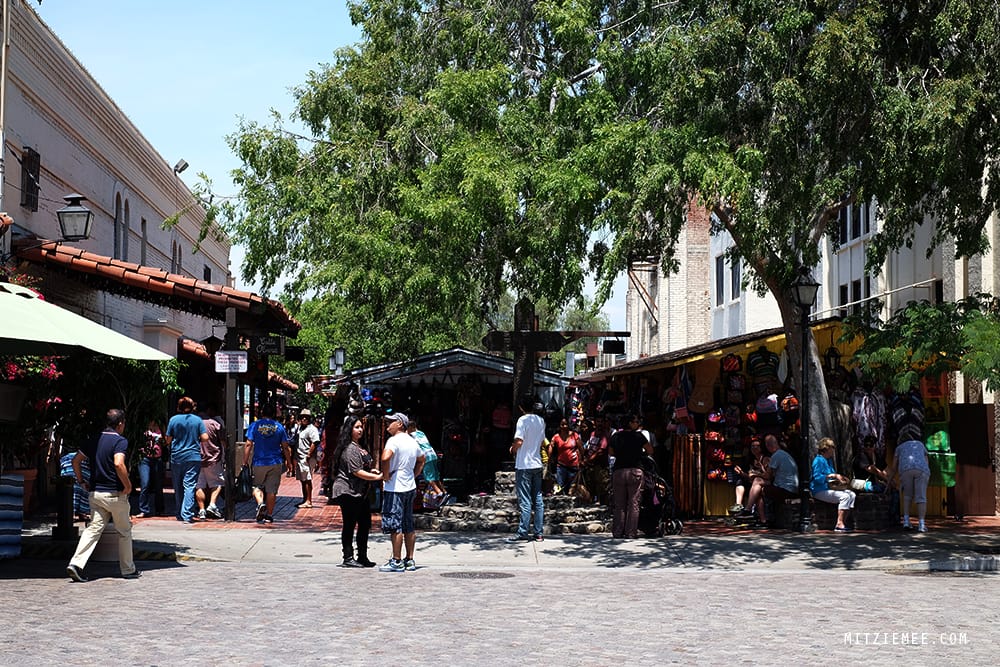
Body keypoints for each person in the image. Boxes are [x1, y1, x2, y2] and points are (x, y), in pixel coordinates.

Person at [66, 408, 140, 581]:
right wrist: (128, 485)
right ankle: (128, 570)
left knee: (93, 529)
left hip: (96, 493)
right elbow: (118, 463)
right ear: (120, 423)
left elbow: (75, 460)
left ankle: (76, 563)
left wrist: (81, 481)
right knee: (124, 531)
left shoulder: (94, 439)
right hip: (115, 493)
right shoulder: (120, 441)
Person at [331, 416, 382, 567]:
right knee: (349, 524)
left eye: (361, 427)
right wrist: (376, 477)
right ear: (349, 429)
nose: (360, 430)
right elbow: (356, 471)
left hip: (360, 492)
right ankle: (348, 557)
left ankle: (362, 556)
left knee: (365, 524)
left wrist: (371, 471)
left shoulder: (359, 446)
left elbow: (363, 467)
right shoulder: (350, 449)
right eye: (356, 427)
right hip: (348, 491)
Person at [378, 412, 425, 572]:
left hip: (395, 488)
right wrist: (414, 474)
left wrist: (385, 476)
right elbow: (422, 458)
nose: (387, 425)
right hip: (409, 486)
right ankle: (409, 559)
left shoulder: (393, 441)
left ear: (400, 424)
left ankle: (396, 560)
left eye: (390, 422)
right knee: (408, 523)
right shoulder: (412, 441)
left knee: (394, 524)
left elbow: (385, 458)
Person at [506, 396, 546, 543]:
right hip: (537, 463)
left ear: (521, 407)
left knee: (525, 500)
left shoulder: (522, 420)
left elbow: (519, 440)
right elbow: (542, 441)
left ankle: (523, 532)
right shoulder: (540, 420)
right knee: (538, 499)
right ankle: (538, 533)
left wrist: (513, 449)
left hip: (524, 464)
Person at [244, 403, 292, 524]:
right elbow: (285, 447)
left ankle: (260, 503)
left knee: (256, 486)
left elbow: (248, 444)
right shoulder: (279, 427)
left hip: (259, 461)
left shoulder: (254, 426)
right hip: (275, 462)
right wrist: (289, 462)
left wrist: (244, 461)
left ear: (262, 413)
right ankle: (269, 515)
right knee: (272, 490)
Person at [164, 396, 208, 524]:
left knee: (177, 486)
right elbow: (204, 437)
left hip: (177, 456)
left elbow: (168, 439)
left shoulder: (173, 420)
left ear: (179, 407)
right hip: (193, 456)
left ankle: (179, 513)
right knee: (189, 485)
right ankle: (187, 514)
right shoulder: (197, 420)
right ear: (193, 406)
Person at [739, 433, 799, 527]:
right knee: (757, 484)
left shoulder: (776, 456)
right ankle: (755, 514)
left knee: (758, 487)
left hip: (785, 489)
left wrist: (755, 474)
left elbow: (767, 476)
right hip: (789, 487)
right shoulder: (784, 454)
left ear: (767, 446)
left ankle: (751, 511)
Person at [609, 414, 653, 538]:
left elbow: (611, 452)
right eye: (635, 421)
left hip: (619, 471)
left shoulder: (616, 436)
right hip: (635, 470)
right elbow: (650, 450)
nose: (637, 423)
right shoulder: (639, 436)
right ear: (629, 423)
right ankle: (630, 532)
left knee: (619, 504)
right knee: (633, 503)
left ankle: (618, 532)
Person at [886, 434, 931, 532]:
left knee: (907, 496)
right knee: (921, 497)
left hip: (905, 470)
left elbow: (894, 468)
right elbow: (926, 461)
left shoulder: (899, 448)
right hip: (922, 470)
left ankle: (906, 521)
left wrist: (888, 482)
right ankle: (921, 524)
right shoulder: (920, 444)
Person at [810, 437, 855, 532]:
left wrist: (840, 479)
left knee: (852, 494)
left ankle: (844, 521)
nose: (833, 450)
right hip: (820, 489)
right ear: (826, 449)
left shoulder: (829, 461)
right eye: (832, 447)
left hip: (829, 488)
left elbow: (832, 476)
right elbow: (817, 478)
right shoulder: (818, 461)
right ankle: (839, 524)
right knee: (845, 497)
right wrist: (831, 476)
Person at [195, 407, 226, 520]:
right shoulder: (215, 424)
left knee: (199, 485)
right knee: (217, 483)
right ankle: (212, 505)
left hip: (198, 458)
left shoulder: (196, 424)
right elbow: (223, 441)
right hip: (213, 458)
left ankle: (201, 510)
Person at [408, 417, 447, 506]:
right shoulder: (420, 433)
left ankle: (439, 493)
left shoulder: (411, 435)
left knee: (428, 477)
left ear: (410, 428)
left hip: (426, 457)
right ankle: (444, 491)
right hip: (432, 454)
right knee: (435, 476)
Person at [730, 437, 768, 515]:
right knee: (740, 481)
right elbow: (750, 477)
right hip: (754, 482)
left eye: (757, 446)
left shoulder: (765, 459)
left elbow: (768, 475)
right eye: (752, 446)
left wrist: (761, 469)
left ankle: (750, 511)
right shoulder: (751, 460)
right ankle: (738, 505)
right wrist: (741, 473)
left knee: (758, 493)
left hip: (763, 482)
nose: (754, 448)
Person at [136, 419, 165, 517]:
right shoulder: (142, 428)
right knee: (145, 483)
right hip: (145, 458)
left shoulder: (161, 427)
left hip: (157, 458)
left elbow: (166, 441)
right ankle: (144, 509)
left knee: (158, 485)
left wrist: (160, 439)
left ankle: (159, 509)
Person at [294, 408, 321, 508]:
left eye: (307, 417)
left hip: (307, 458)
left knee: (307, 479)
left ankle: (309, 501)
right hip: (300, 457)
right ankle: (304, 499)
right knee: (303, 479)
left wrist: (309, 453)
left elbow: (315, 442)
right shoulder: (300, 428)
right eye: (302, 417)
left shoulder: (312, 429)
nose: (304, 419)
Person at [548, 418, 584, 492]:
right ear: (559, 426)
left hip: (573, 465)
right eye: (562, 424)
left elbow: (581, 448)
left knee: (572, 489)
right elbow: (551, 446)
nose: (564, 426)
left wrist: (582, 460)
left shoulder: (574, 435)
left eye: (566, 424)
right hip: (561, 466)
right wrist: (549, 458)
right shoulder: (556, 437)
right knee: (560, 488)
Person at [582, 416, 611, 504]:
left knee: (601, 485)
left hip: (600, 464)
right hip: (591, 464)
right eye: (598, 421)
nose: (600, 424)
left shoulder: (605, 435)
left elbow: (600, 451)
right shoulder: (592, 433)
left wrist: (588, 460)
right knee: (591, 484)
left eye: (602, 421)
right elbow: (589, 447)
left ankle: (601, 503)